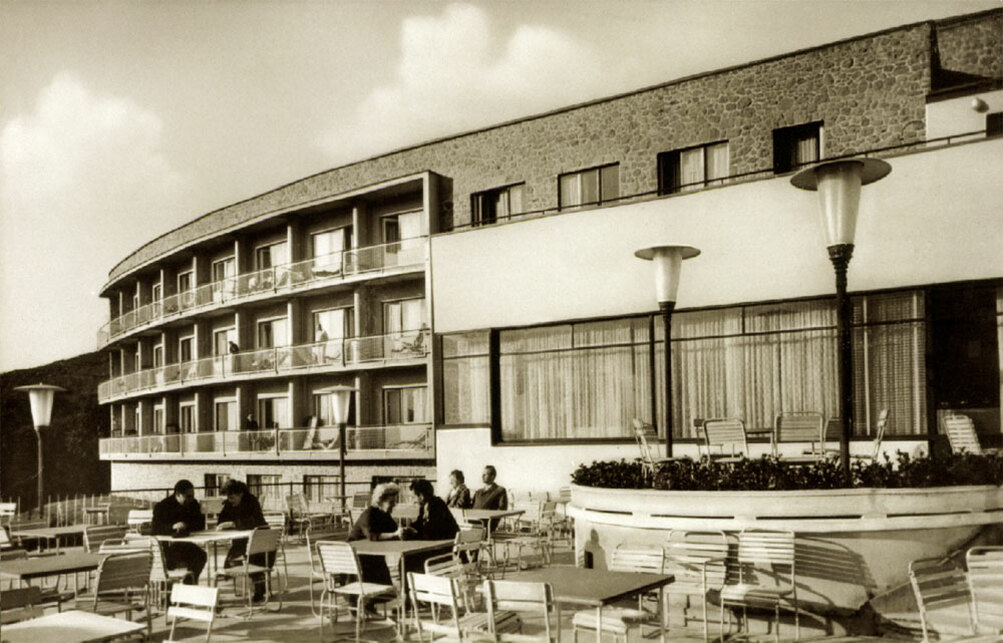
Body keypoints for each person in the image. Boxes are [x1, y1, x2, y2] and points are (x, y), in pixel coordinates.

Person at [216, 479, 270, 603]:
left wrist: (234, 523)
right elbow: (221, 520)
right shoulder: (230, 503)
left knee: (246, 558)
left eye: (232, 497)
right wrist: (224, 522)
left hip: (260, 539)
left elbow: (254, 521)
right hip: (243, 540)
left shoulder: (251, 501)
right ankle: (257, 585)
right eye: (228, 498)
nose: (230, 500)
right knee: (234, 559)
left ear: (240, 493)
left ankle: (259, 589)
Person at [347, 483, 405, 586]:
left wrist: (402, 531)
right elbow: (372, 536)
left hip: (372, 554)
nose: (393, 505)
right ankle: (369, 599)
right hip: (357, 557)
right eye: (391, 502)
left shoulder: (384, 514)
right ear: (380, 501)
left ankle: (377, 597)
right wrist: (395, 534)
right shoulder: (369, 514)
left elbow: (394, 529)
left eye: (394, 502)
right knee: (376, 569)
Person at [151, 479, 207, 583]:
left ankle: (189, 585)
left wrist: (186, 525)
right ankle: (172, 589)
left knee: (201, 556)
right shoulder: (163, 506)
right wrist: (172, 526)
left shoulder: (193, 504)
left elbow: (200, 524)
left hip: (182, 545)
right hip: (166, 548)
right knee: (169, 563)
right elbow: (155, 529)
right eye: (188, 496)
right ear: (178, 494)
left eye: (193, 495)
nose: (191, 499)